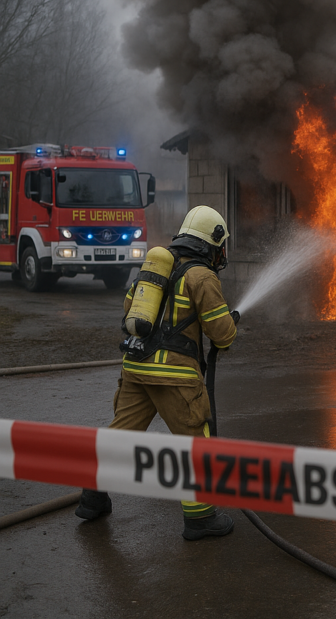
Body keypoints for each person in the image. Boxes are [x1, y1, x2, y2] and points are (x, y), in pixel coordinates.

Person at [75, 205, 240, 539]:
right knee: (196, 443)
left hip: (136, 367)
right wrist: (231, 322)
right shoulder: (202, 277)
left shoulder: (156, 267)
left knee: (120, 433)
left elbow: (128, 309)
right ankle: (200, 518)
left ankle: (92, 499)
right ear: (214, 241)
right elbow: (221, 335)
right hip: (175, 376)